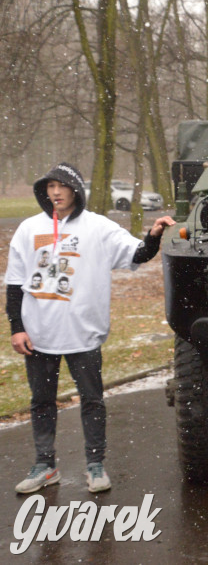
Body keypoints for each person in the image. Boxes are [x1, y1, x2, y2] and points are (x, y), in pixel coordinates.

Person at [4, 163, 174, 494]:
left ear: (75, 190)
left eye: (62, 186)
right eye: (50, 186)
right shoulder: (28, 229)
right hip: (38, 334)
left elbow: (136, 254)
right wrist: (17, 327)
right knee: (41, 401)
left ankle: (95, 465)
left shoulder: (98, 227)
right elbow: (14, 284)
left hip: (83, 334)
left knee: (92, 400)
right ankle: (45, 465)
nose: (56, 192)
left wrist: (153, 236)